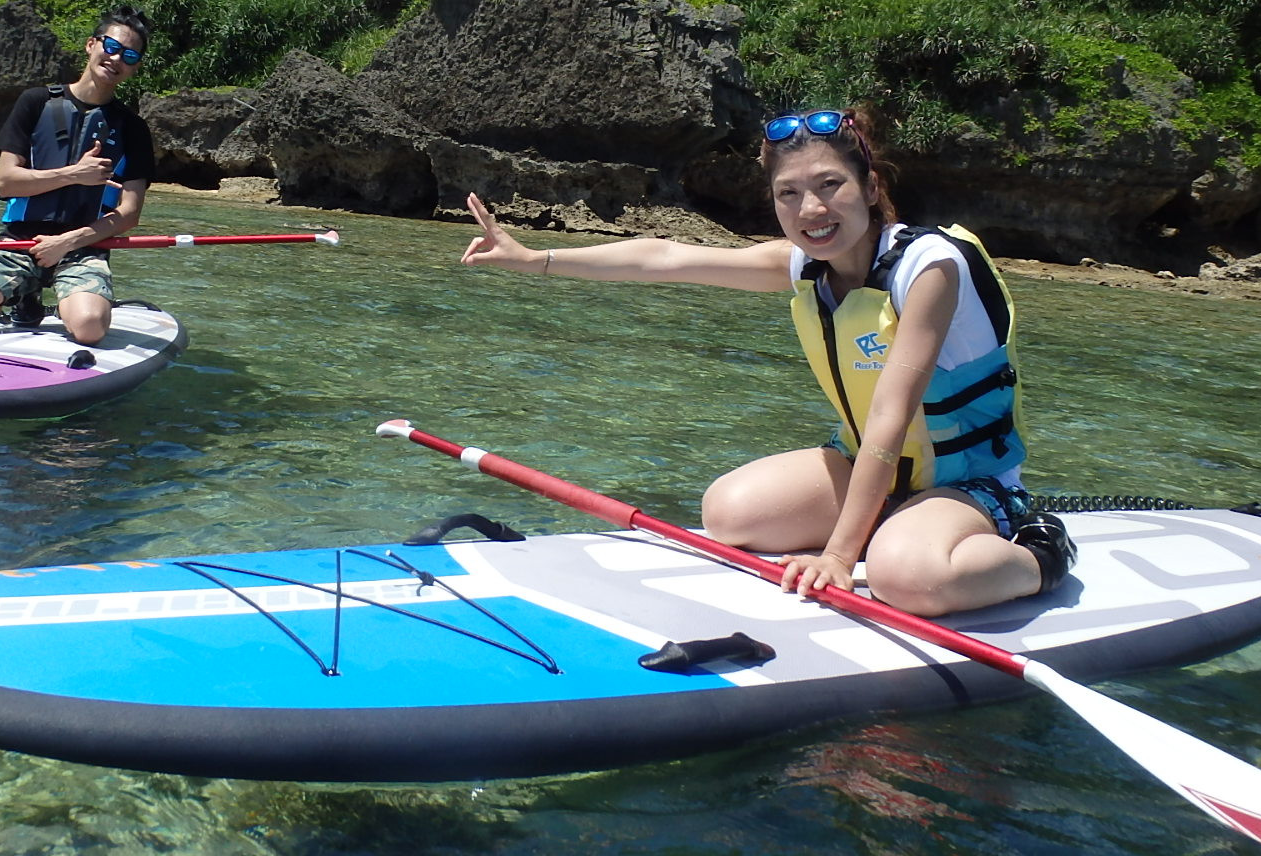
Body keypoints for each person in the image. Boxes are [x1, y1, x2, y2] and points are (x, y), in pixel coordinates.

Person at [460, 107, 1075, 618]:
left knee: (907, 578)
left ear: (869, 186)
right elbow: (665, 258)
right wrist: (536, 258)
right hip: (873, 471)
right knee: (729, 513)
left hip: (968, 480)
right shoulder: (803, 266)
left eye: (829, 185)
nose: (811, 209)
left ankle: (1040, 553)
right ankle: (891, 523)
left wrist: (838, 556)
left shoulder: (930, 267)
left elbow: (890, 419)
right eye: (789, 193)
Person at [0, 8, 156, 346]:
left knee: (90, 327)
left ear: (135, 67)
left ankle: (75, 300)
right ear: (91, 44)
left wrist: (67, 242)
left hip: (84, 248)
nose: (116, 58)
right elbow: (7, 182)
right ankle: (23, 296)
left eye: (129, 55)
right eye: (110, 46)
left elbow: (129, 214)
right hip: (20, 242)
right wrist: (74, 174)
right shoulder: (35, 102)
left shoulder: (134, 129)